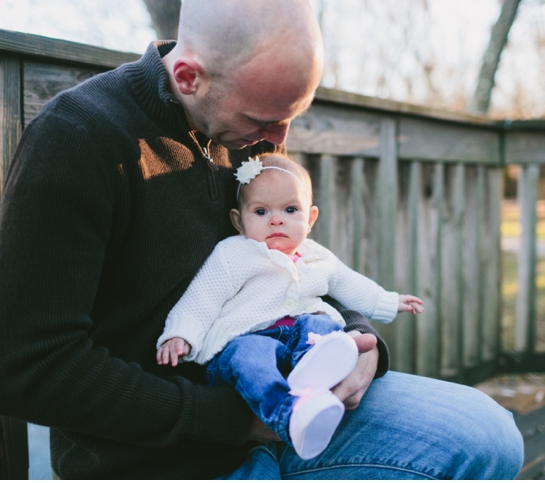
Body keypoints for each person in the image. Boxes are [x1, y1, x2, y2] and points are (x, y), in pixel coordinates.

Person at [0, 0, 524, 479]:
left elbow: (296, 259)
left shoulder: (245, 133)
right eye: (265, 119)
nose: (278, 138)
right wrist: (231, 421)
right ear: (190, 77)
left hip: (290, 401)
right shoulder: (78, 140)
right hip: (163, 455)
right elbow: (27, 371)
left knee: (489, 437)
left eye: (291, 115)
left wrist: (361, 342)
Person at [156, 154, 424, 460]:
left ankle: (320, 369)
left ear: (310, 219)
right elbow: (202, 297)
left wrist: (389, 301)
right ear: (238, 220)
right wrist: (180, 335)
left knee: (320, 323)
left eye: (290, 209)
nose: (276, 219)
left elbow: (350, 284)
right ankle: (289, 415)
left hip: (298, 342)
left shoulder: (318, 256)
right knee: (250, 356)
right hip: (245, 343)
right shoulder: (233, 253)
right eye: (260, 211)